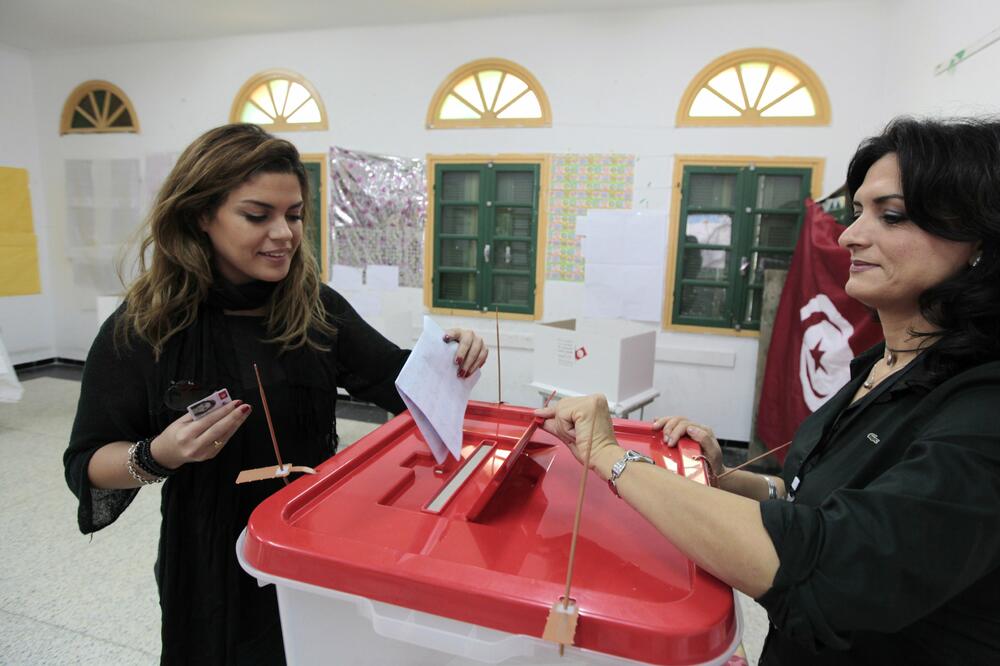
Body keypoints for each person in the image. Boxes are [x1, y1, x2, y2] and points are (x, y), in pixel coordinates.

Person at [536, 117, 1000, 665]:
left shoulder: (981, 406)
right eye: (857, 213)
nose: (850, 235)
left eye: (890, 215)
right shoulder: (882, 363)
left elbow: (833, 567)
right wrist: (725, 477)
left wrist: (612, 457)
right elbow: (808, 494)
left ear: (978, 240)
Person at [63, 123, 488, 665]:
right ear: (200, 215)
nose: (284, 233)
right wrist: (158, 455)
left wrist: (452, 356)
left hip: (317, 542)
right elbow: (87, 463)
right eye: (257, 215)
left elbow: (397, 383)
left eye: (293, 215)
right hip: (212, 560)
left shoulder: (315, 307)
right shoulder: (146, 327)